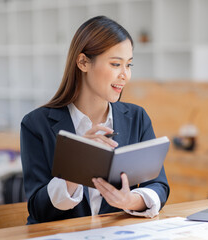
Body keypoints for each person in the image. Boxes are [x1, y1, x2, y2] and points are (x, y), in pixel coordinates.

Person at [20, 16, 170, 224]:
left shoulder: (137, 118)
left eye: (129, 65)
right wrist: (76, 167)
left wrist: (130, 200)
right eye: (116, 64)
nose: (125, 75)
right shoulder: (36, 124)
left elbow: (158, 186)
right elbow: (38, 209)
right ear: (83, 62)